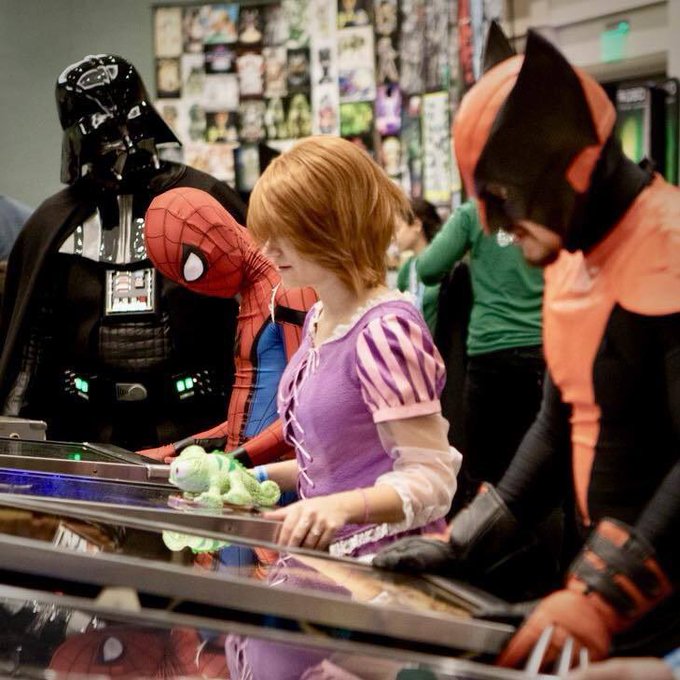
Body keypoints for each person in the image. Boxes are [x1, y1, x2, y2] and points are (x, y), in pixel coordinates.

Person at [375, 26, 679, 668]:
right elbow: (557, 423)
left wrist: (605, 595)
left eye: (504, 198)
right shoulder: (572, 258)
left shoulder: (669, 251)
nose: (496, 227)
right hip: (601, 587)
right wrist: (463, 543)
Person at [0, 54, 246, 450]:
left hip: (199, 425)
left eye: (128, 124)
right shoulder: (52, 223)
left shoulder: (206, 200)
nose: (121, 144)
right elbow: (31, 342)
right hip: (84, 430)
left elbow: (253, 317)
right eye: (104, 132)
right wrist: (14, 434)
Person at [246, 136, 460, 558]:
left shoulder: (384, 331)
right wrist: (257, 478)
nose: (268, 249)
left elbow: (432, 479)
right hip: (329, 561)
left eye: (284, 233)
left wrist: (342, 507)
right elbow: (340, 461)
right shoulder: (319, 316)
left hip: (381, 561)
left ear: (331, 226)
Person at [138, 187, 317, 465]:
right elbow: (246, 419)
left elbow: (305, 409)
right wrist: (175, 449)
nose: (198, 287)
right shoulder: (255, 291)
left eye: (193, 270)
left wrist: (228, 463)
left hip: (277, 475)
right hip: (247, 472)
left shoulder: (289, 289)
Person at [415, 199, 544, 509]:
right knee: (541, 465)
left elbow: (428, 268)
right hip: (545, 351)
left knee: (485, 471)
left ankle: (486, 530)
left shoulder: (477, 210)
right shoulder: (546, 206)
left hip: (490, 352)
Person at [395, 197, 442, 334]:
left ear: (416, 225)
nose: (394, 237)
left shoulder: (442, 263)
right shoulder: (406, 270)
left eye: (398, 229)